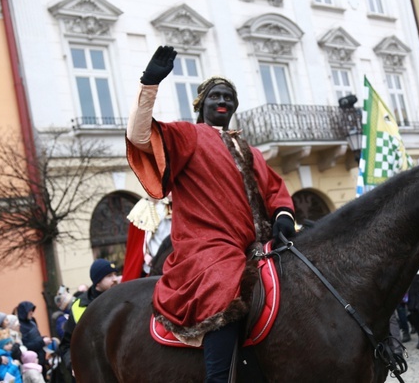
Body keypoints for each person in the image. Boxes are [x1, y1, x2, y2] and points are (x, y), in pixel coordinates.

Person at [125, 46, 296, 382]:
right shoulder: (187, 136)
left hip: (255, 245)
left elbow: (275, 190)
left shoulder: (249, 149)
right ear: (201, 104)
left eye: (230, 97)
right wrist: (149, 84)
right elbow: (138, 136)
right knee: (224, 282)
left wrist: (283, 217)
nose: (224, 101)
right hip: (207, 249)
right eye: (216, 95)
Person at [58, 258, 120, 377]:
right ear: (97, 281)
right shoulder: (79, 306)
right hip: (94, 373)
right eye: (109, 275)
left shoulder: (124, 298)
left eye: (115, 274)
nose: (115, 279)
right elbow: (66, 344)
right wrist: (73, 365)